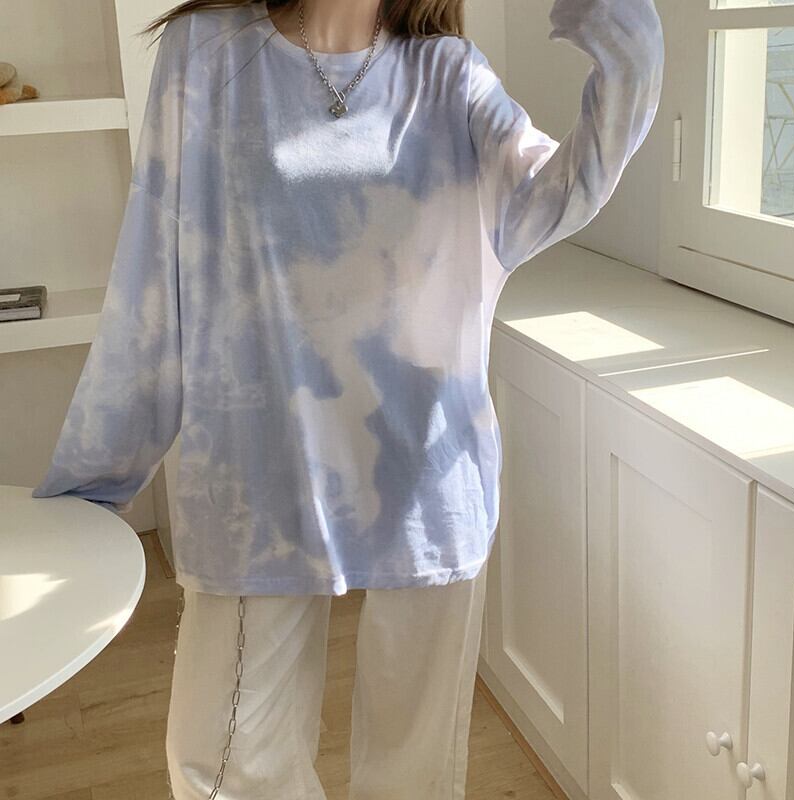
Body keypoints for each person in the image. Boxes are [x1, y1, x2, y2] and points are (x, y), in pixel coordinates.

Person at [31, 0, 664, 796]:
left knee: (414, 779)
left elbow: (557, 194)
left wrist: (625, 43)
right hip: (257, 479)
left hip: (427, 476)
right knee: (221, 765)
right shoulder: (207, 53)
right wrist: (89, 487)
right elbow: (151, 280)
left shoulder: (449, 75)